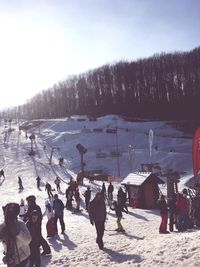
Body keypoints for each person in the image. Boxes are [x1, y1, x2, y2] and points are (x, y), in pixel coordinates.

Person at [0, 202, 32, 267]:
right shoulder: (2, 227)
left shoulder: (21, 224)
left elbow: (28, 240)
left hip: (23, 259)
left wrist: (18, 233)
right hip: (11, 260)